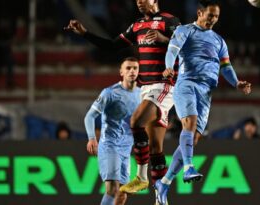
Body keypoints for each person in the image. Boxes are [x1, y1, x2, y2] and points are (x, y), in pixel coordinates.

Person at [65, 0, 181, 196]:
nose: (139, 2)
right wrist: (85, 33)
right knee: (155, 148)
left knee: (136, 121)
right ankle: (161, 198)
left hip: (163, 85)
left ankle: (142, 177)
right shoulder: (137, 25)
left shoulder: (169, 21)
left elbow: (186, 46)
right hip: (146, 88)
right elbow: (112, 46)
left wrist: (164, 39)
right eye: (137, 1)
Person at [154, 0, 252, 204]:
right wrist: (169, 66)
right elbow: (172, 49)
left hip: (206, 92)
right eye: (210, 15)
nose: (213, 20)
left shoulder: (219, 40)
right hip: (187, 84)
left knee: (194, 138)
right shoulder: (185, 30)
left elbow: (226, 66)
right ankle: (189, 167)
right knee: (188, 123)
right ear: (200, 13)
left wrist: (237, 83)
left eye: (216, 16)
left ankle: (164, 182)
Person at [84, 57, 141, 205]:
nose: (132, 71)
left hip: (126, 148)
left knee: (122, 194)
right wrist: (92, 138)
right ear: (121, 71)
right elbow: (90, 116)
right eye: (128, 68)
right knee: (112, 190)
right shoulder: (110, 93)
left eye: (135, 68)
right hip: (110, 145)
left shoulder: (142, 95)